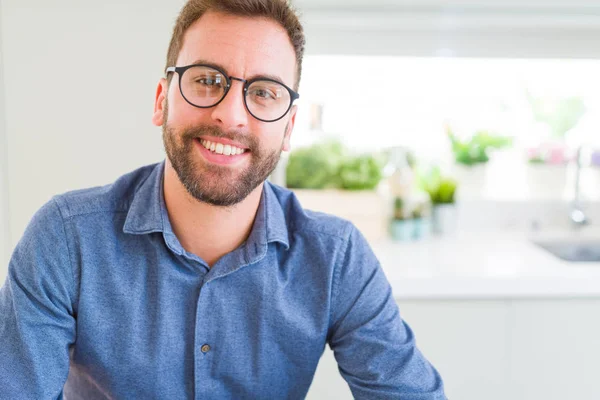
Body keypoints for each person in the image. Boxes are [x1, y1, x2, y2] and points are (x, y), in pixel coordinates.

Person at [0, 0, 446, 398]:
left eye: (265, 92)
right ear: (162, 101)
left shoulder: (336, 257)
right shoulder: (65, 237)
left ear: (288, 129)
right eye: (207, 80)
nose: (230, 115)